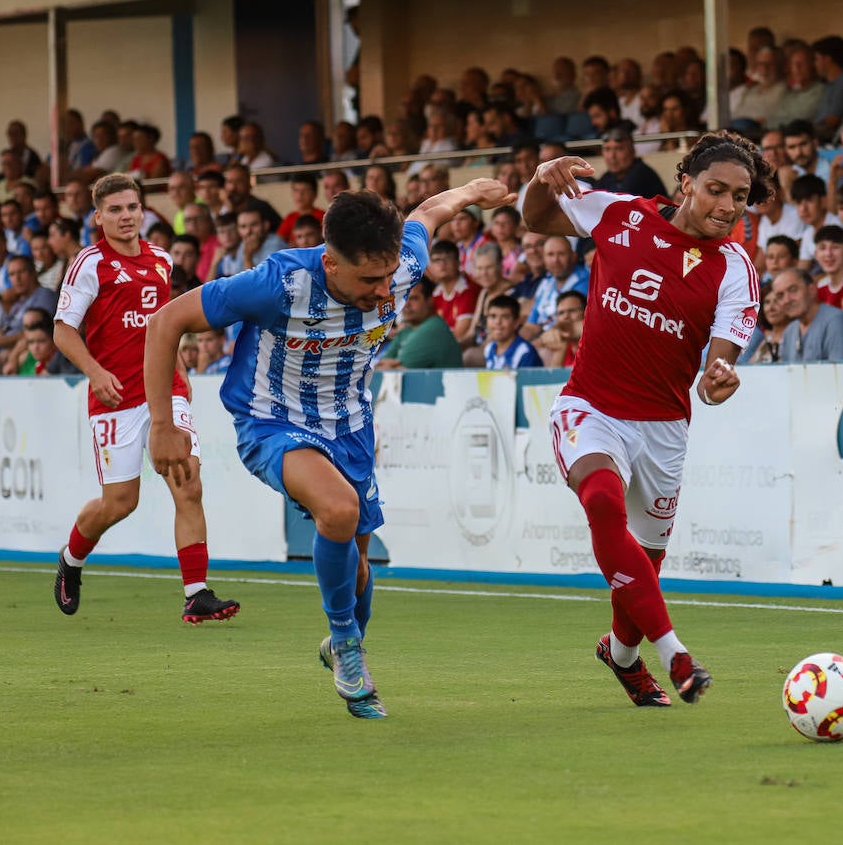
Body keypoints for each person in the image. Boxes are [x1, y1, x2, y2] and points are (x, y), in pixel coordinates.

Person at [146, 179, 515, 719]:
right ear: (331, 264)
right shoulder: (278, 282)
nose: (384, 289)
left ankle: (344, 643)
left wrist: (475, 189)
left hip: (351, 426)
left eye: (389, 275)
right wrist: (162, 422)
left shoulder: (402, 262)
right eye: (369, 279)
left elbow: (432, 209)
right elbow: (166, 321)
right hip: (271, 420)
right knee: (338, 511)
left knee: (360, 570)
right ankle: (345, 645)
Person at [520, 132, 770, 707]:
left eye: (740, 196)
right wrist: (542, 179)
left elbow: (718, 368)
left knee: (646, 564)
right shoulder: (619, 214)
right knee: (603, 503)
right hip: (591, 407)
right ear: (686, 183)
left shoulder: (735, 268)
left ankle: (623, 654)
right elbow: (537, 219)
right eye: (716, 191)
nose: (728, 207)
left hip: (664, 429)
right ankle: (674, 653)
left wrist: (719, 379)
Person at [50, 173, 240, 624]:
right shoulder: (89, 264)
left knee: (188, 481)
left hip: (162, 393)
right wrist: (95, 373)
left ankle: (196, 593)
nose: (126, 216)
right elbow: (61, 331)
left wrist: (178, 369)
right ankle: (71, 559)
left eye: (132, 207)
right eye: (114, 210)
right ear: (98, 217)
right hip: (115, 398)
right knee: (120, 502)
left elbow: (162, 326)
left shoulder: (160, 260)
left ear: (143, 211)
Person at [773, 267, 843, 362]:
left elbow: (841, 372)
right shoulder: (789, 331)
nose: (787, 300)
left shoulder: (835, 321)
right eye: (780, 296)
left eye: (793, 290)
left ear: (812, 290)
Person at [595, 126, 668, 199]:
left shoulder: (640, 174)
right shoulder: (607, 177)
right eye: (607, 149)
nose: (612, 156)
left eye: (619, 149)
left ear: (632, 151)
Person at [482, 294, 542, 369]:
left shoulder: (524, 352)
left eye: (505, 317)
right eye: (493, 316)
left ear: (516, 322)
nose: (498, 322)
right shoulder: (489, 348)